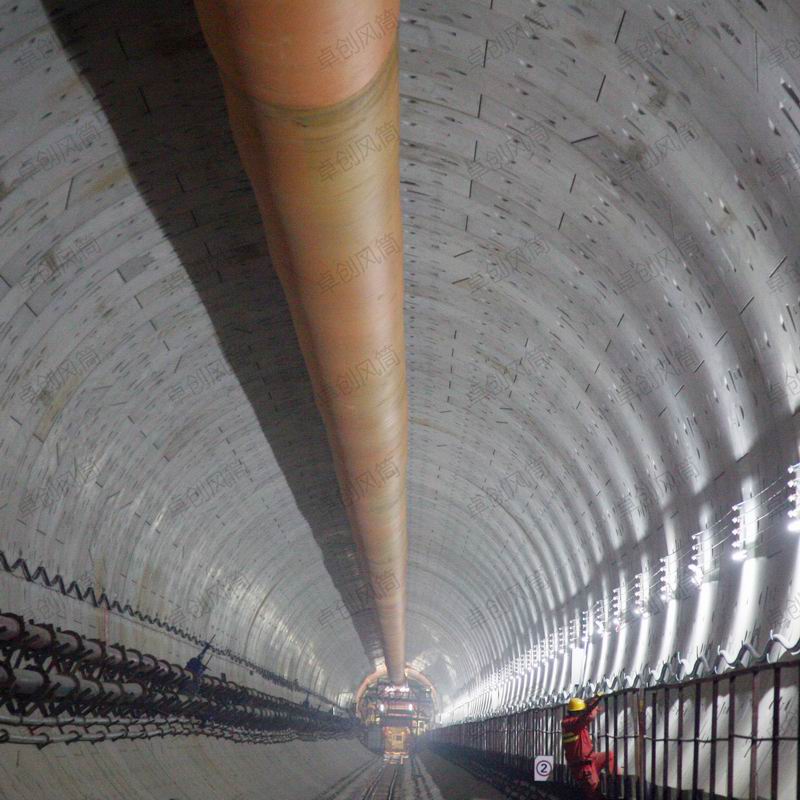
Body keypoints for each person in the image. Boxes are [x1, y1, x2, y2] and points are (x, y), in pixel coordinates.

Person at [561, 694, 617, 799]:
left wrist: (593, 700)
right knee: (594, 793)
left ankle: (616, 783)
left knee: (609, 755)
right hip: (583, 767)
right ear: (575, 712)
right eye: (581, 711)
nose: (582, 713)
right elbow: (588, 717)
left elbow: (586, 715)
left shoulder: (574, 723)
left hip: (591, 760)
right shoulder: (570, 723)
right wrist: (595, 704)